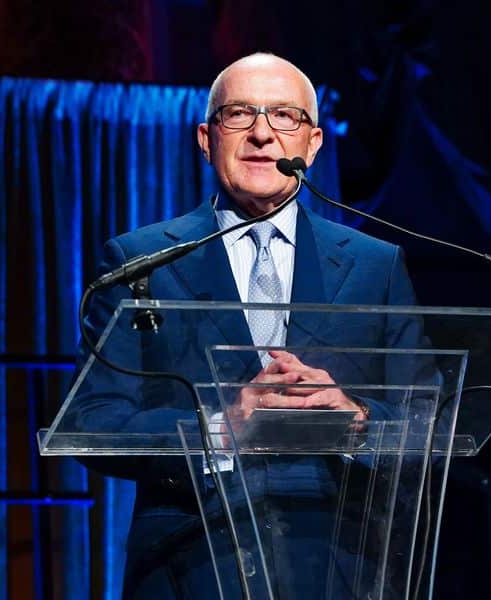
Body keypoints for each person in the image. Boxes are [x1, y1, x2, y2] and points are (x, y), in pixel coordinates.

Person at [67, 53, 431, 599]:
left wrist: (355, 416)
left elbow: (429, 415)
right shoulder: (139, 261)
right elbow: (92, 422)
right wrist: (219, 427)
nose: (262, 134)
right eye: (239, 113)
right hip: (190, 564)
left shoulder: (375, 264)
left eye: (284, 116)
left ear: (311, 145)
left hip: (336, 564)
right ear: (206, 137)